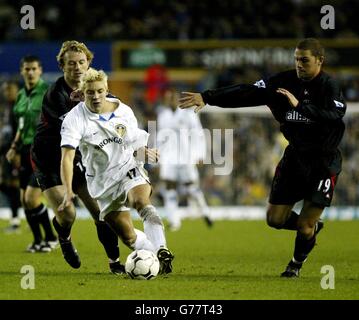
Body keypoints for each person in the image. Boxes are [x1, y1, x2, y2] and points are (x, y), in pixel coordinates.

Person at [178, 38, 346, 277]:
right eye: (297, 59)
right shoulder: (282, 82)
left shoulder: (329, 85)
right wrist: (208, 97)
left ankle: (295, 265)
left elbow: (335, 115)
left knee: (304, 225)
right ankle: (310, 227)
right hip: (295, 158)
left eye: (305, 60)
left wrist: (300, 107)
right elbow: (246, 92)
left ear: (320, 61)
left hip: (324, 162)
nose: (299, 64)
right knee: (275, 219)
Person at [59, 68, 174, 274]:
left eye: (100, 91)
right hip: (102, 182)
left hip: (128, 168)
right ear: (82, 93)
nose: (96, 97)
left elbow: (133, 144)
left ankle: (162, 248)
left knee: (141, 202)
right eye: (90, 92)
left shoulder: (124, 111)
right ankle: (157, 260)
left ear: (107, 90)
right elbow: (67, 157)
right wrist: (68, 191)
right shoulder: (74, 119)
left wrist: (144, 152)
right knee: (128, 237)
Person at [30, 41, 126, 274]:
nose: (77, 67)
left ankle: (114, 263)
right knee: (68, 213)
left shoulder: (95, 89)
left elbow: (114, 113)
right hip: (49, 159)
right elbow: (78, 129)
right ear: (62, 66)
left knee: (101, 213)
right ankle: (63, 236)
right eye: (71, 63)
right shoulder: (55, 95)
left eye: (82, 62)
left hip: (78, 159)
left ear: (88, 63)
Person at [6, 57, 58, 252]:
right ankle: (38, 240)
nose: (30, 72)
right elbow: (21, 125)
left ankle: (51, 237)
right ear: (22, 71)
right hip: (24, 150)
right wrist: (14, 146)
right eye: (27, 69)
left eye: (34, 69)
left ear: (40, 70)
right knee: (24, 201)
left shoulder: (48, 92)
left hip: (42, 151)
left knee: (31, 198)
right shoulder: (21, 95)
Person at [157, 88, 213, 231]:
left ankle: (205, 212)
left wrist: (200, 154)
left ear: (177, 99)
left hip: (186, 156)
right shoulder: (163, 116)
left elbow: (198, 134)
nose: (170, 101)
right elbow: (160, 137)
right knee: (169, 188)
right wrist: (157, 157)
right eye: (168, 98)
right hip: (169, 157)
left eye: (172, 98)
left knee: (191, 188)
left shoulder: (188, 115)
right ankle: (174, 221)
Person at [0, 81, 21, 233]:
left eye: (10, 90)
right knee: (5, 183)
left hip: (16, 153)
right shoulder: (6, 108)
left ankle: (15, 221)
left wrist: (17, 152)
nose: (7, 93)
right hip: (5, 151)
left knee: (14, 185)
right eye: (5, 90)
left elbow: (22, 131)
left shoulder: (19, 108)